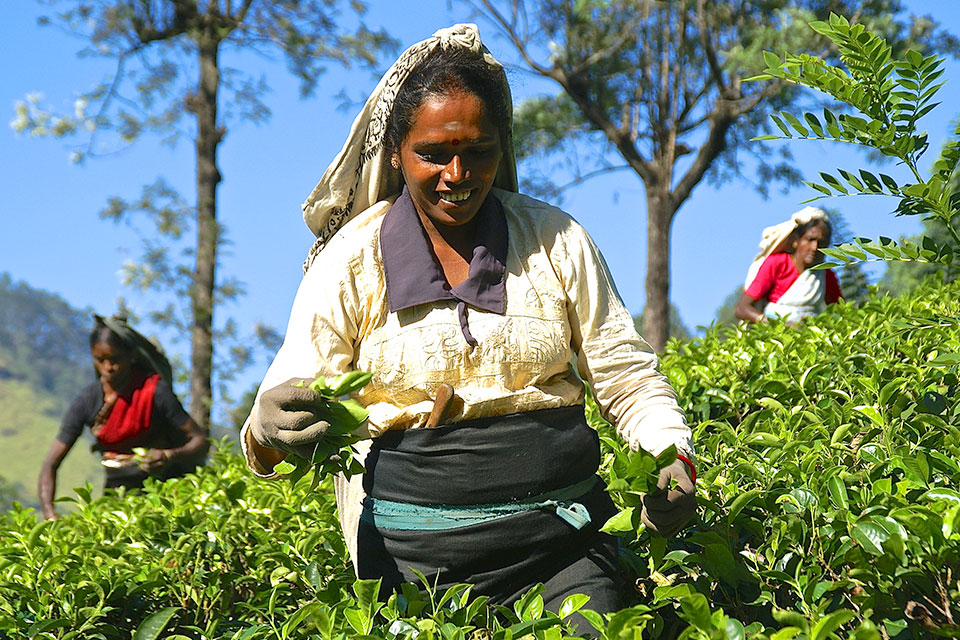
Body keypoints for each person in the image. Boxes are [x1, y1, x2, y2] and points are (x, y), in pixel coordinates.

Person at [241, 24, 696, 620]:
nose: (457, 174)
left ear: (502, 148)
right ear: (397, 153)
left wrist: (670, 455)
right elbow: (280, 417)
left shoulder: (555, 240)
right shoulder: (351, 261)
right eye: (433, 154)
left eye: (478, 151)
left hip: (566, 548)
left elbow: (626, 376)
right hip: (413, 570)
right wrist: (271, 428)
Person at [38, 314, 208, 520]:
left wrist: (168, 455)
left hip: (165, 492)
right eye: (100, 360)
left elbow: (199, 440)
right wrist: (49, 514)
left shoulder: (153, 391)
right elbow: (50, 464)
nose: (108, 367)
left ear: (132, 355)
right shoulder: (88, 400)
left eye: (115, 359)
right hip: (117, 496)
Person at [735, 206, 843, 324]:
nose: (814, 247)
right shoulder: (778, 263)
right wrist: (777, 325)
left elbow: (842, 313)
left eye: (822, 243)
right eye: (809, 240)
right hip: (774, 333)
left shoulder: (825, 275)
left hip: (809, 333)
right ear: (796, 241)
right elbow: (742, 308)